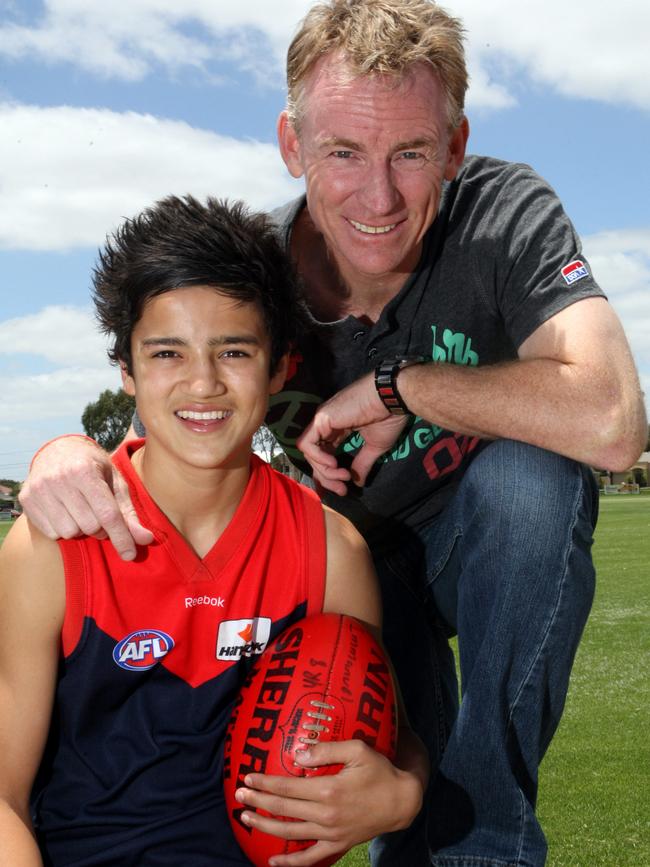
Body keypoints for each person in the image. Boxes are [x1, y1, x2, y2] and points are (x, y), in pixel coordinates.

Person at [19, 1, 647, 865]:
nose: (378, 195)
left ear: (455, 147)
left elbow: (613, 422)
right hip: (343, 568)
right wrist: (63, 452)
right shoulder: (255, 277)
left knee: (536, 481)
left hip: (479, 538)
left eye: (412, 153)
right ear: (291, 144)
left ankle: (487, 845)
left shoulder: (503, 213)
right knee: (392, 793)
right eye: (343, 152)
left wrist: (407, 385)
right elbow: (172, 408)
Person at [0, 195, 428, 867]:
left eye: (233, 350)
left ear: (281, 365)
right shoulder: (53, 543)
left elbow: (385, 735)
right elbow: (3, 794)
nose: (203, 383)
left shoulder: (330, 552)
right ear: (127, 370)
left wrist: (402, 793)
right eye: (167, 352)